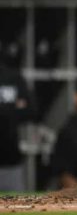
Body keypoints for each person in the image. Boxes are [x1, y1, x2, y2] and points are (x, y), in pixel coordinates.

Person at [0, 63, 34, 192]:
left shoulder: (13, 77)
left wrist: (5, 111)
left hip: (12, 161)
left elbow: (32, 110)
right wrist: (12, 107)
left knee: (19, 209)